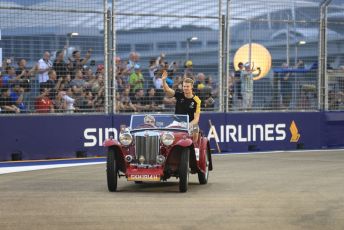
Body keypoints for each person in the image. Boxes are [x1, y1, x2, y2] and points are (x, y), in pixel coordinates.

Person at [161, 70, 201, 143]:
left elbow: (196, 119)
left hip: (189, 124)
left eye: (187, 86)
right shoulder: (179, 95)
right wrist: (163, 81)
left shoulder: (197, 100)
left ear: (192, 87)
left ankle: (195, 147)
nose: (185, 88)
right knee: (163, 134)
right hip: (177, 123)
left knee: (196, 127)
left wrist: (188, 125)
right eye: (184, 86)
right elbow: (167, 90)